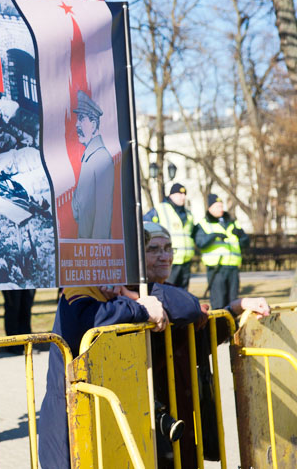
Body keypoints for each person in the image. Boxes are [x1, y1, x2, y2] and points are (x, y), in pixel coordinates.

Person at [38, 221, 269, 469]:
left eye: (168, 248)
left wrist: (234, 309)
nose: (164, 256)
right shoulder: (86, 289)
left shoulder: (148, 294)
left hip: (149, 428)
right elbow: (87, 317)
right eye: (152, 249)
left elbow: (192, 328)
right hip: (77, 422)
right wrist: (137, 305)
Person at [70, 90, 114, 239]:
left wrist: (96, 250)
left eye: (81, 119)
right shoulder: (89, 157)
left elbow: (103, 213)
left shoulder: (101, 158)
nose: (77, 124)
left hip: (92, 250)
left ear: (94, 124)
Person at [195, 193, 249, 310]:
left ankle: (233, 326)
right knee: (219, 301)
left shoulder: (232, 222)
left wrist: (242, 235)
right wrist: (213, 235)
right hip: (216, 269)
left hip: (233, 267)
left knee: (233, 301)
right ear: (210, 208)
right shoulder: (204, 224)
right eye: (217, 206)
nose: (220, 209)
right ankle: (219, 327)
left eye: (221, 205)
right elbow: (200, 243)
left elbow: (246, 243)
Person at [144, 182, 196, 288]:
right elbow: (145, 228)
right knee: (167, 291)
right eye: (179, 194)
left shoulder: (189, 214)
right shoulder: (159, 210)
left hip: (185, 261)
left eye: (184, 194)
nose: (183, 197)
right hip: (167, 260)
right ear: (171, 195)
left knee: (182, 294)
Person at [0, 289, 35, 355]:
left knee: (26, 308)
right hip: (11, 282)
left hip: (29, 280)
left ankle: (26, 344)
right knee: (13, 308)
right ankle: (13, 344)